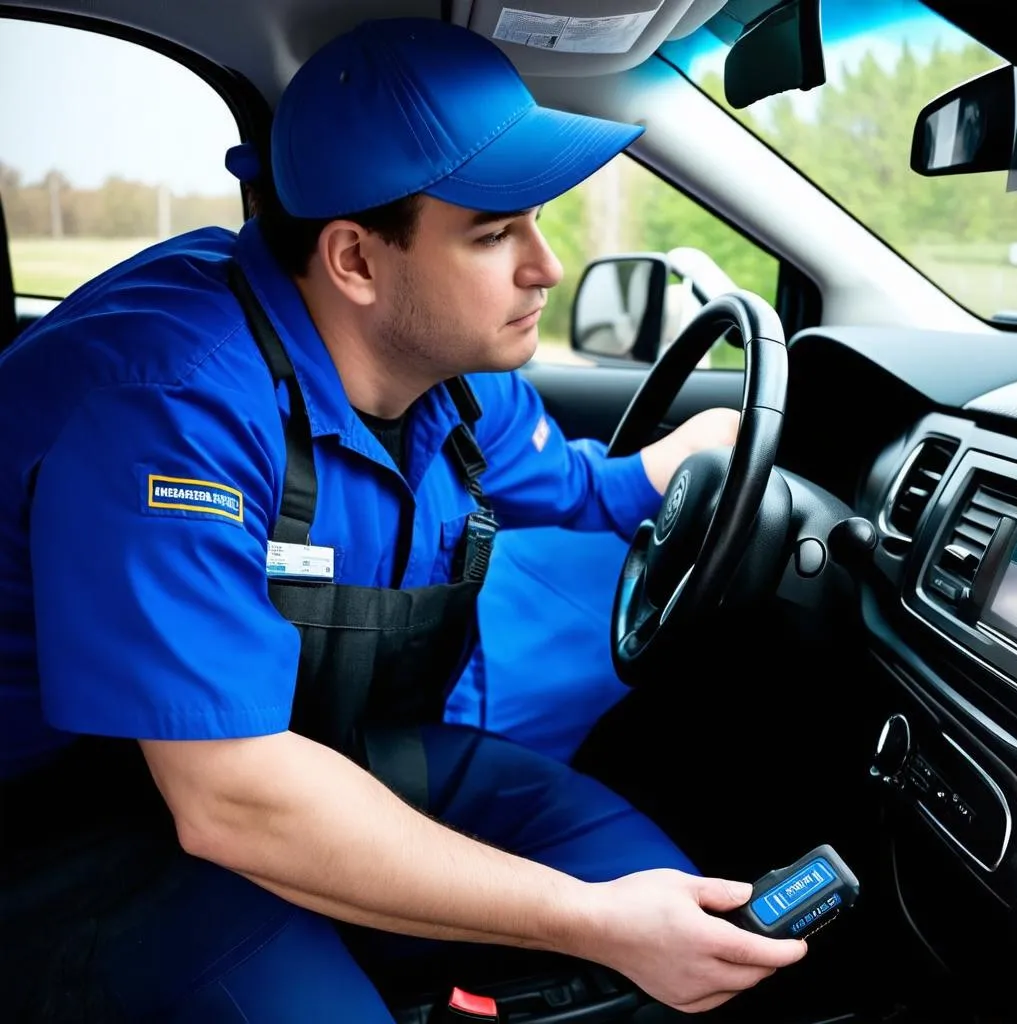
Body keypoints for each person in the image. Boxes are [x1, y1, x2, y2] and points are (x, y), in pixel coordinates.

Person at [0, 17, 802, 1022]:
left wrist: (690, 459)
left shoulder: (454, 370)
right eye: (493, 233)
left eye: (538, 224)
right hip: (74, 819)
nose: (544, 269)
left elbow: (577, 488)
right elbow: (231, 798)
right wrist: (594, 921)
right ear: (356, 261)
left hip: (295, 747)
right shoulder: (169, 405)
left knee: (657, 883)